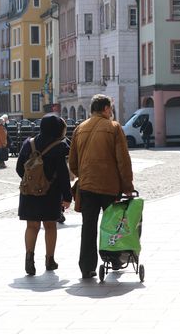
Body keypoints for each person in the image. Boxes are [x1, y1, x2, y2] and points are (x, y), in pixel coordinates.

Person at [69, 94, 135, 279]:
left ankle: (87, 266)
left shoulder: (79, 128)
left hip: (87, 187)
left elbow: (72, 163)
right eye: (111, 109)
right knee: (112, 225)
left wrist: (84, 174)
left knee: (88, 227)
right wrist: (127, 185)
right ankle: (114, 259)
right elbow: (123, 160)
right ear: (106, 109)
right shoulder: (113, 127)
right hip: (109, 186)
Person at [16, 114, 72, 275]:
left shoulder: (29, 143)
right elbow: (63, 174)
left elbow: (20, 168)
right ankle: (49, 260)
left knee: (32, 226)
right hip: (51, 193)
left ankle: (29, 259)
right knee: (50, 226)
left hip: (29, 193)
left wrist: (33, 181)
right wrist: (67, 197)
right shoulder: (59, 146)